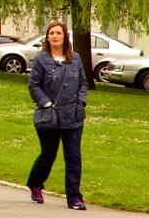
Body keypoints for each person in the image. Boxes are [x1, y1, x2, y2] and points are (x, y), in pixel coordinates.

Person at [27, 21, 88, 211]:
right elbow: (34, 85)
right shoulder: (41, 59)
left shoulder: (75, 59)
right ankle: (35, 183)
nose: (55, 36)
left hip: (73, 116)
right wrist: (45, 102)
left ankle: (75, 198)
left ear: (64, 37)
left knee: (73, 157)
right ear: (47, 37)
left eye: (58, 33)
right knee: (48, 155)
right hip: (50, 117)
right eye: (51, 33)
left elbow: (83, 84)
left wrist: (81, 102)